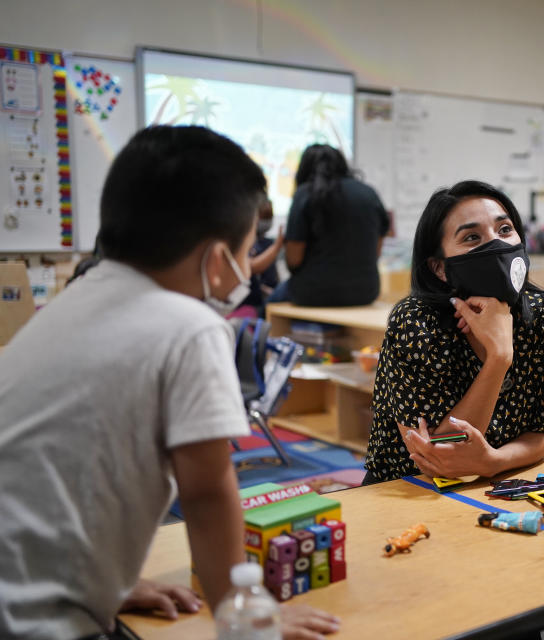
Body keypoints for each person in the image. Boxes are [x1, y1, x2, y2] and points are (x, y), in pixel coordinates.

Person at [0, 126, 339, 640]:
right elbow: (205, 492)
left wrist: (110, 583)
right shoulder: (192, 327)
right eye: (247, 251)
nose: (247, 268)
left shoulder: (75, 298)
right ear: (216, 258)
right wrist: (238, 609)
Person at [363, 180, 544, 483]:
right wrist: (498, 358)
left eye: (504, 230)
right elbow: (434, 456)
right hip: (408, 488)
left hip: (497, 482)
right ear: (440, 268)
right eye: (473, 237)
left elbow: (543, 431)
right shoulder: (415, 324)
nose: (496, 244)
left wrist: (491, 462)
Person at [275, 144, 390, 307]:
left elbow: (294, 259)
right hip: (366, 292)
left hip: (312, 293)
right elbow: (376, 251)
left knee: (266, 304)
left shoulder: (304, 194)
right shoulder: (368, 193)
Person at [237, 196, 283, 316]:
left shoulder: (268, 242)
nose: (265, 222)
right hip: (247, 303)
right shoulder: (241, 242)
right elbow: (252, 267)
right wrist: (277, 247)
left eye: (269, 218)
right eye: (263, 217)